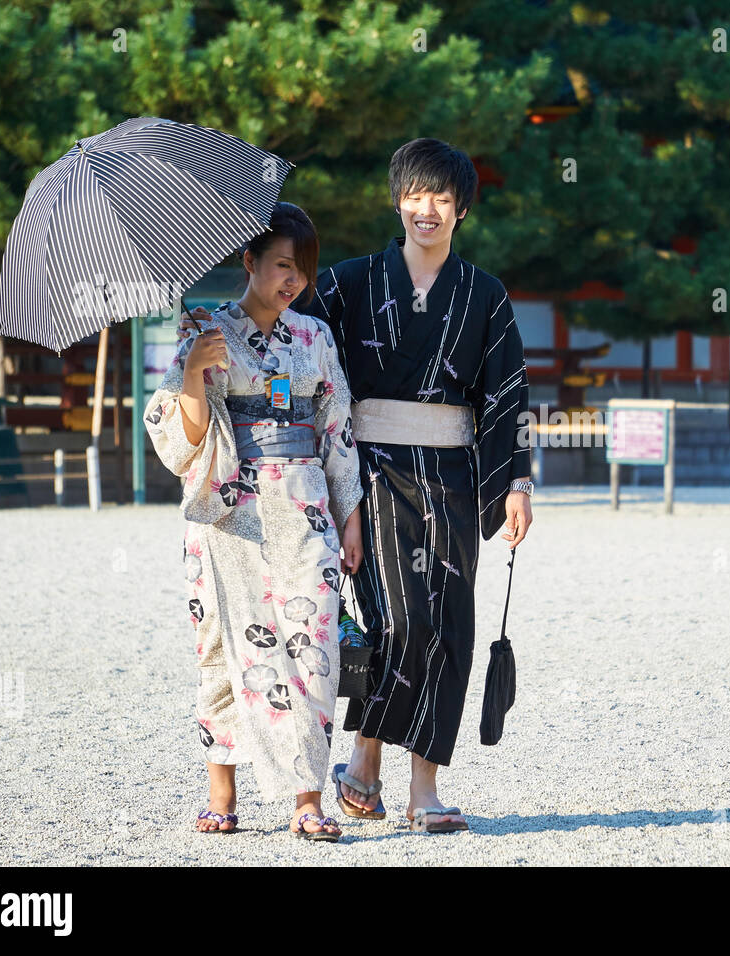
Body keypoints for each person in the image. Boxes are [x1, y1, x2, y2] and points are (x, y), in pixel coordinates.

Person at [185, 138, 534, 833]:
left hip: (454, 476)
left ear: (461, 207)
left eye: (440, 197)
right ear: (396, 199)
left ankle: (421, 788)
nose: (424, 209)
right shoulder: (348, 282)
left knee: (450, 628)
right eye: (414, 194)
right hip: (370, 470)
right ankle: (365, 760)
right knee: (397, 622)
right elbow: (285, 333)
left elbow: (507, 395)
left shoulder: (485, 296)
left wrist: (516, 481)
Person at [147, 202, 364, 841]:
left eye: (302, 270)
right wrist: (191, 370)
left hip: (304, 507)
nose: (292, 282)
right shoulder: (206, 330)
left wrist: (349, 516)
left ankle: (307, 798)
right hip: (228, 511)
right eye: (280, 266)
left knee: (314, 641)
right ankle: (222, 788)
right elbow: (182, 439)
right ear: (249, 261)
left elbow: (336, 428)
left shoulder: (314, 338)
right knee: (222, 644)